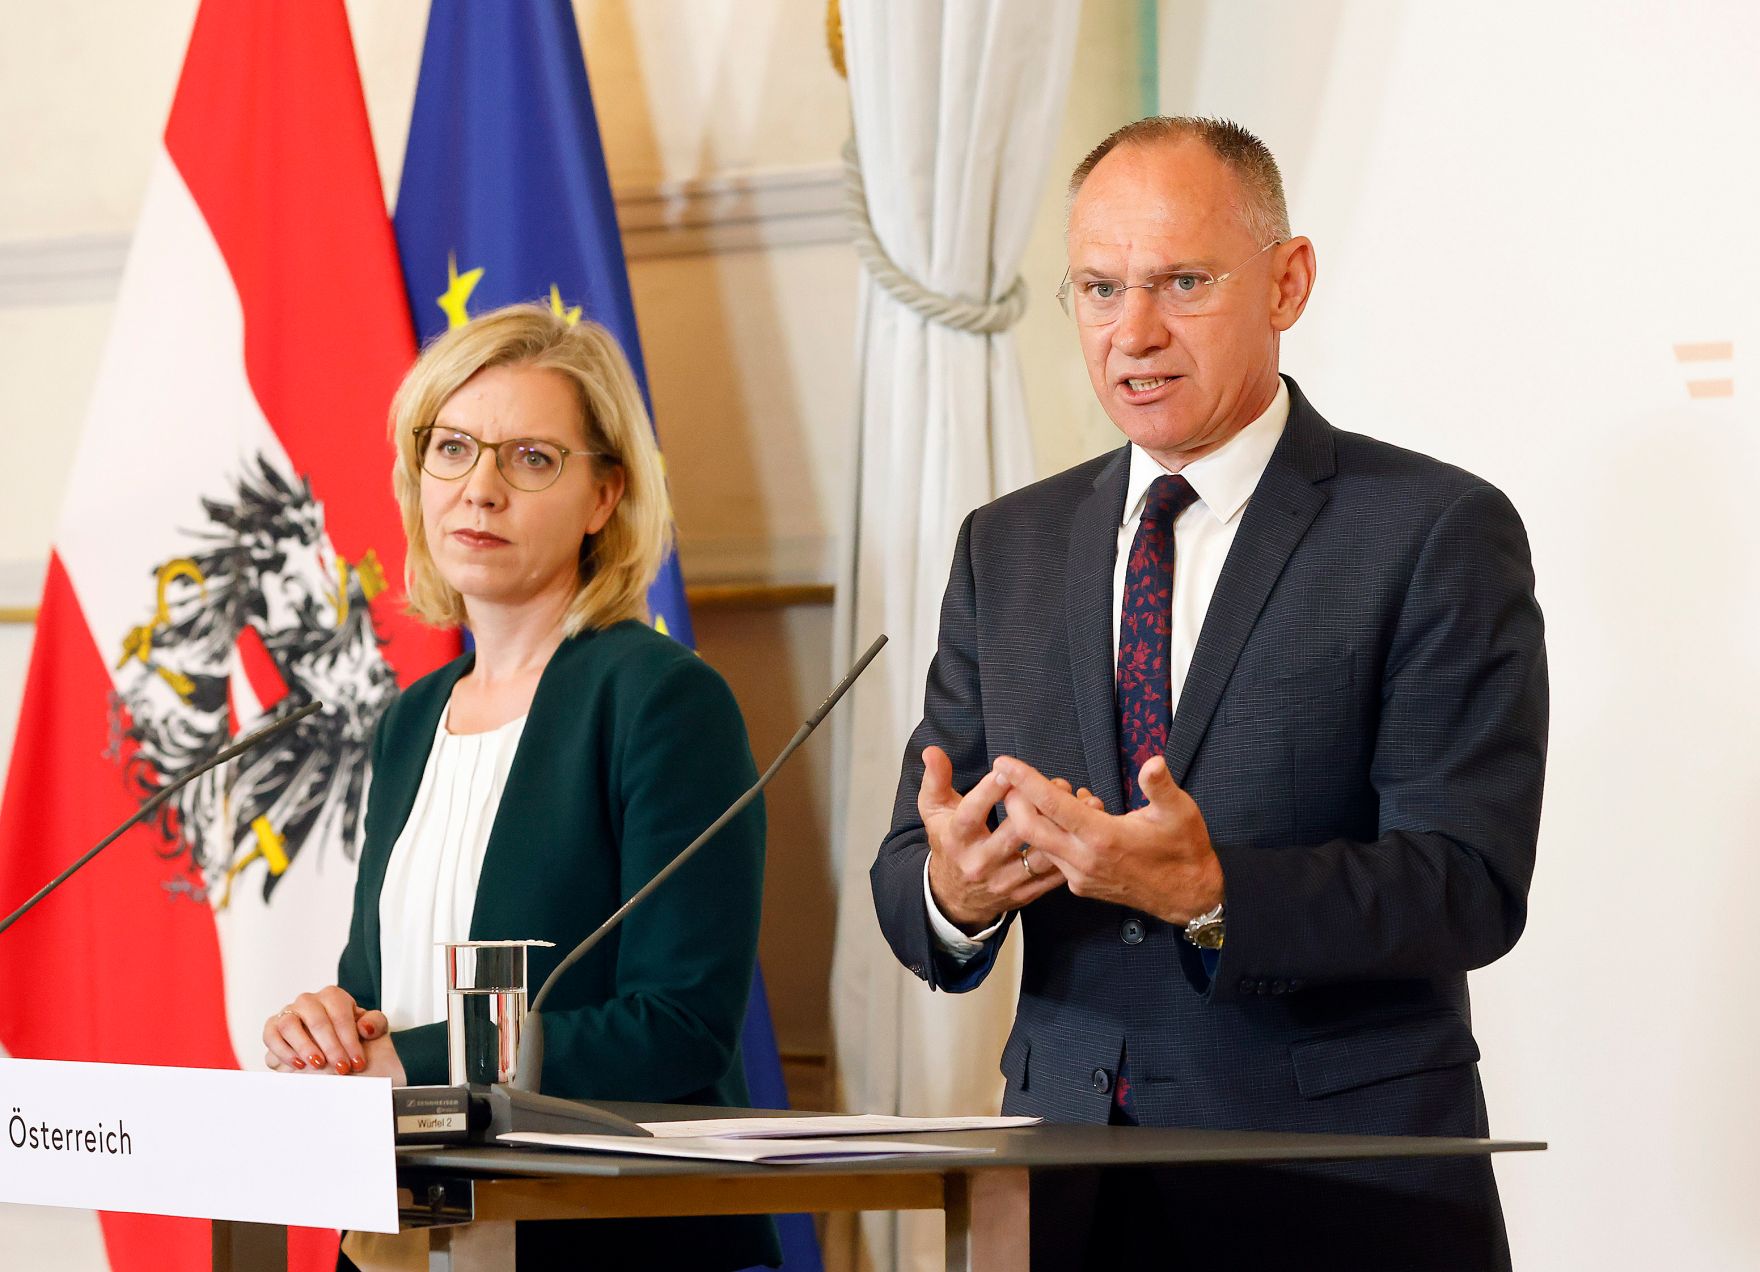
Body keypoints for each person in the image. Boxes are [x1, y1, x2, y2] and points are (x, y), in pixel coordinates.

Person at [871, 116, 1547, 1270]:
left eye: (1182, 282)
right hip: (1063, 1185)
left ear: (1286, 283)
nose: (1132, 332)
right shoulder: (1009, 545)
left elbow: (1466, 883)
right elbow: (909, 875)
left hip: (1332, 1186)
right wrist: (953, 887)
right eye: (1097, 288)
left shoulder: (1430, 530)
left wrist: (1211, 889)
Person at [262, 304, 780, 1271]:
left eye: (532, 458)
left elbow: (678, 1030)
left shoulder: (660, 700)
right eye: (451, 448)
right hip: (403, 1226)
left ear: (604, 497)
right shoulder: (412, 719)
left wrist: (401, 1067)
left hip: (593, 1239)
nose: (480, 489)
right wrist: (330, 1028)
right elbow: (385, 992)